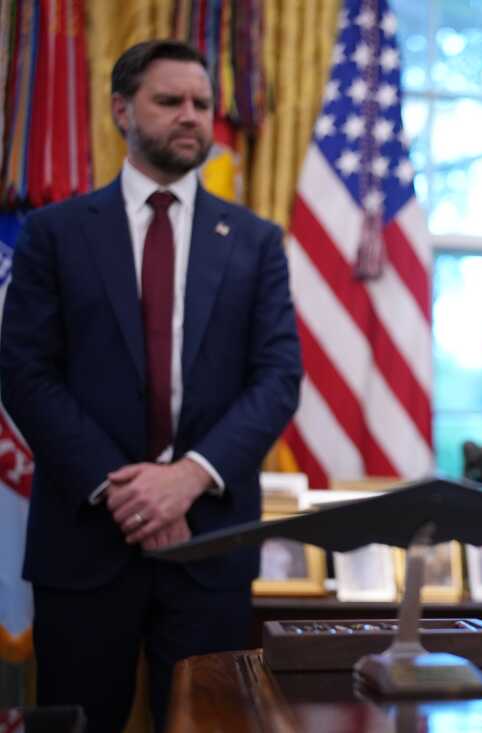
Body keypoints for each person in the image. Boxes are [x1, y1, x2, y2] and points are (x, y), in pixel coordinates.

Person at [0, 40, 301, 732]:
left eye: (201, 103)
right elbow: (25, 373)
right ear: (120, 110)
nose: (191, 117)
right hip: (84, 542)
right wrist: (130, 490)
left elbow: (278, 377)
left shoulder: (254, 241)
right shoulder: (55, 233)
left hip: (212, 542)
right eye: (170, 101)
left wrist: (187, 478)